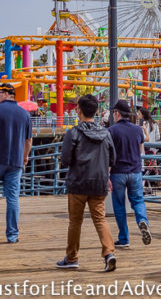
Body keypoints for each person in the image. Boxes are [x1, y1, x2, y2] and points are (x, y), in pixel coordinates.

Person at [57, 94, 117, 272]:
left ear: (78, 110)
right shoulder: (105, 133)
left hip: (78, 183)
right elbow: (112, 159)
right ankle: (109, 254)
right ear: (96, 111)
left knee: (75, 221)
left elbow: (65, 159)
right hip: (99, 183)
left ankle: (72, 257)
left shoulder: (73, 133)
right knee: (100, 219)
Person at [108, 99, 152, 248]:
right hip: (135, 171)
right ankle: (142, 221)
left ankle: (124, 238)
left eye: (113, 112)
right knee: (138, 201)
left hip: (118, 172)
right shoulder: (138, 130)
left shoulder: (112, 131)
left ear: (117, 114)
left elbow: (109, 154)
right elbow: (140, 151)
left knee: (119, 205)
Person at [0, 83, 32, 244]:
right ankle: (12, 236)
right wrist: (25, 157)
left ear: (6, 94)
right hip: (15, 161)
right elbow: (28, 140)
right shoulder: (24, 114)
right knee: (12, 198)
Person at [138, 108, 161, 195]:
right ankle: (149, 186)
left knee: (143, 169)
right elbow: (158, 137)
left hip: (145, 150)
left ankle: (143, 187)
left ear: (143, 115)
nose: (138, 115)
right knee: (148, 170)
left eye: (139, 114)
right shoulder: (155, 124)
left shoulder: (143, 124)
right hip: (153, 151)